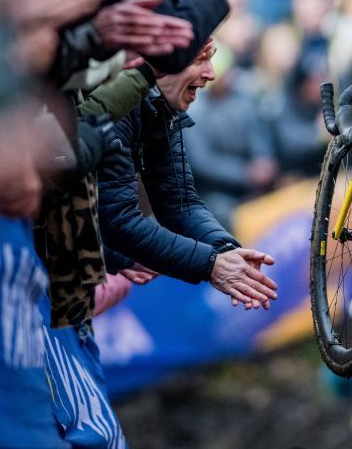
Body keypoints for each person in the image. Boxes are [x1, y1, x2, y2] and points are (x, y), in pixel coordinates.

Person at [96, 39, 279, 310]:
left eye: (211, 58)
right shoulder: (116, 107)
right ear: (159, 64)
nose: (212, 73)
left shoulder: (162, 108)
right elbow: (119, 220)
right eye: (199, 60)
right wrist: (211, 265)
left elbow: (180, 203)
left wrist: (225, 249)